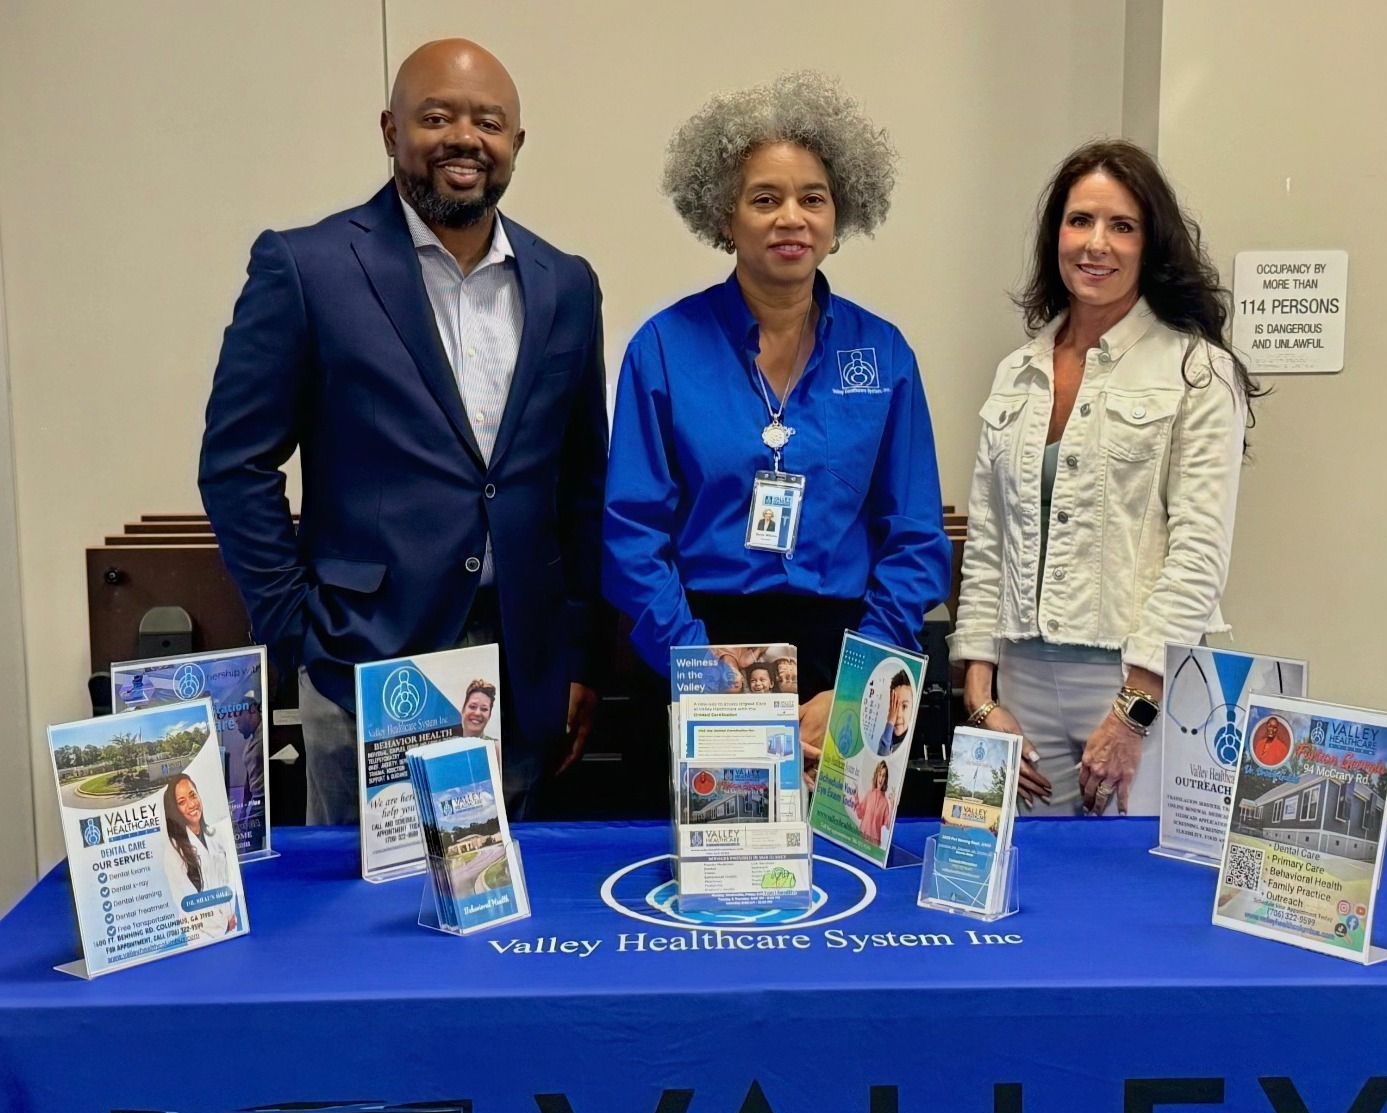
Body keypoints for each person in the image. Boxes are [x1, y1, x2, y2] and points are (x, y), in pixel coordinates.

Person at [199, 39, 607, 823]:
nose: (464, 138)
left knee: (502, 916)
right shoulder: (307, 267)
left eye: (488, 122)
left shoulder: (567, 284)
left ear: (515, 144)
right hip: (364, 659)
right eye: (436, 117)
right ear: (391, 132)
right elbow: (235, 464)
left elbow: (584, 479)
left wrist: (577, 654)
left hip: (519, 670)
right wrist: (298, 632)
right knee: (361, 926)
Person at [603, 73, 951, 784]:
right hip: (693, 648)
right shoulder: (664, 349)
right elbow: (632, 536)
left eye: (811, 199)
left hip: (845, 658)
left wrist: (859, 686)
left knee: (845, 888)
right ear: (723, 217)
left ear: (837, 216)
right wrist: (708, 676)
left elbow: (915, 539)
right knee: (703, 886)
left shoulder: (884, 355)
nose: (790, 217)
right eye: (765, 199)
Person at [950, 140, 1257, 817]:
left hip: (1130, 679)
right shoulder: (1017, 373)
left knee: (1125, 895)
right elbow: (990, 538)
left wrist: (1134, 710)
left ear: (1153, 245)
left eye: (1122, 227)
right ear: (1054, 233)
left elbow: (1198, 553)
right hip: (1018, 680)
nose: (1096, 244)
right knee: (1016, 886)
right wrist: (979, 693)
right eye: (1079, 220)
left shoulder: (1197, 372)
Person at [162, 772, 239, 940]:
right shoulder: (174, 851)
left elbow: (228, 880)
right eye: (182, 802)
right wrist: (224, 923)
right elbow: (188, 903)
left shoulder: (214, 835)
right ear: (175, 810)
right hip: (202, 936)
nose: (191, 805)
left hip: (230, 925)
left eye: (193, 795)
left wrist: (230, 915)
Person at [234, 691, 265, 847]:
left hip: (267, 803)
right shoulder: (251, 743)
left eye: (238, 715)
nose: (236, 721)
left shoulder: (266, 735)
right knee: (251, 846)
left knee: (254, 846)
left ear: (252, 710)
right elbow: (249, 779)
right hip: (256, 803)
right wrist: (242, 810)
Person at [848, 759, 894, 848]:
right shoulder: (869, 794)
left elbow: (888, 825)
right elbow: (860, 814)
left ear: (885, 779)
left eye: (883, 776)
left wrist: (892, 806)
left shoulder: (885, 803)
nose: (881, 779)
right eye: (880, 775)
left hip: (874, 844)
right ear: (876, 775)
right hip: (862, 837)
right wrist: (856, 797)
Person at [876, 670, 913, 755]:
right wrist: (890, 722)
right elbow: (882, 755)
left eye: (904, 706)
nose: (898, 714)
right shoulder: (887, 738)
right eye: (895, 705)